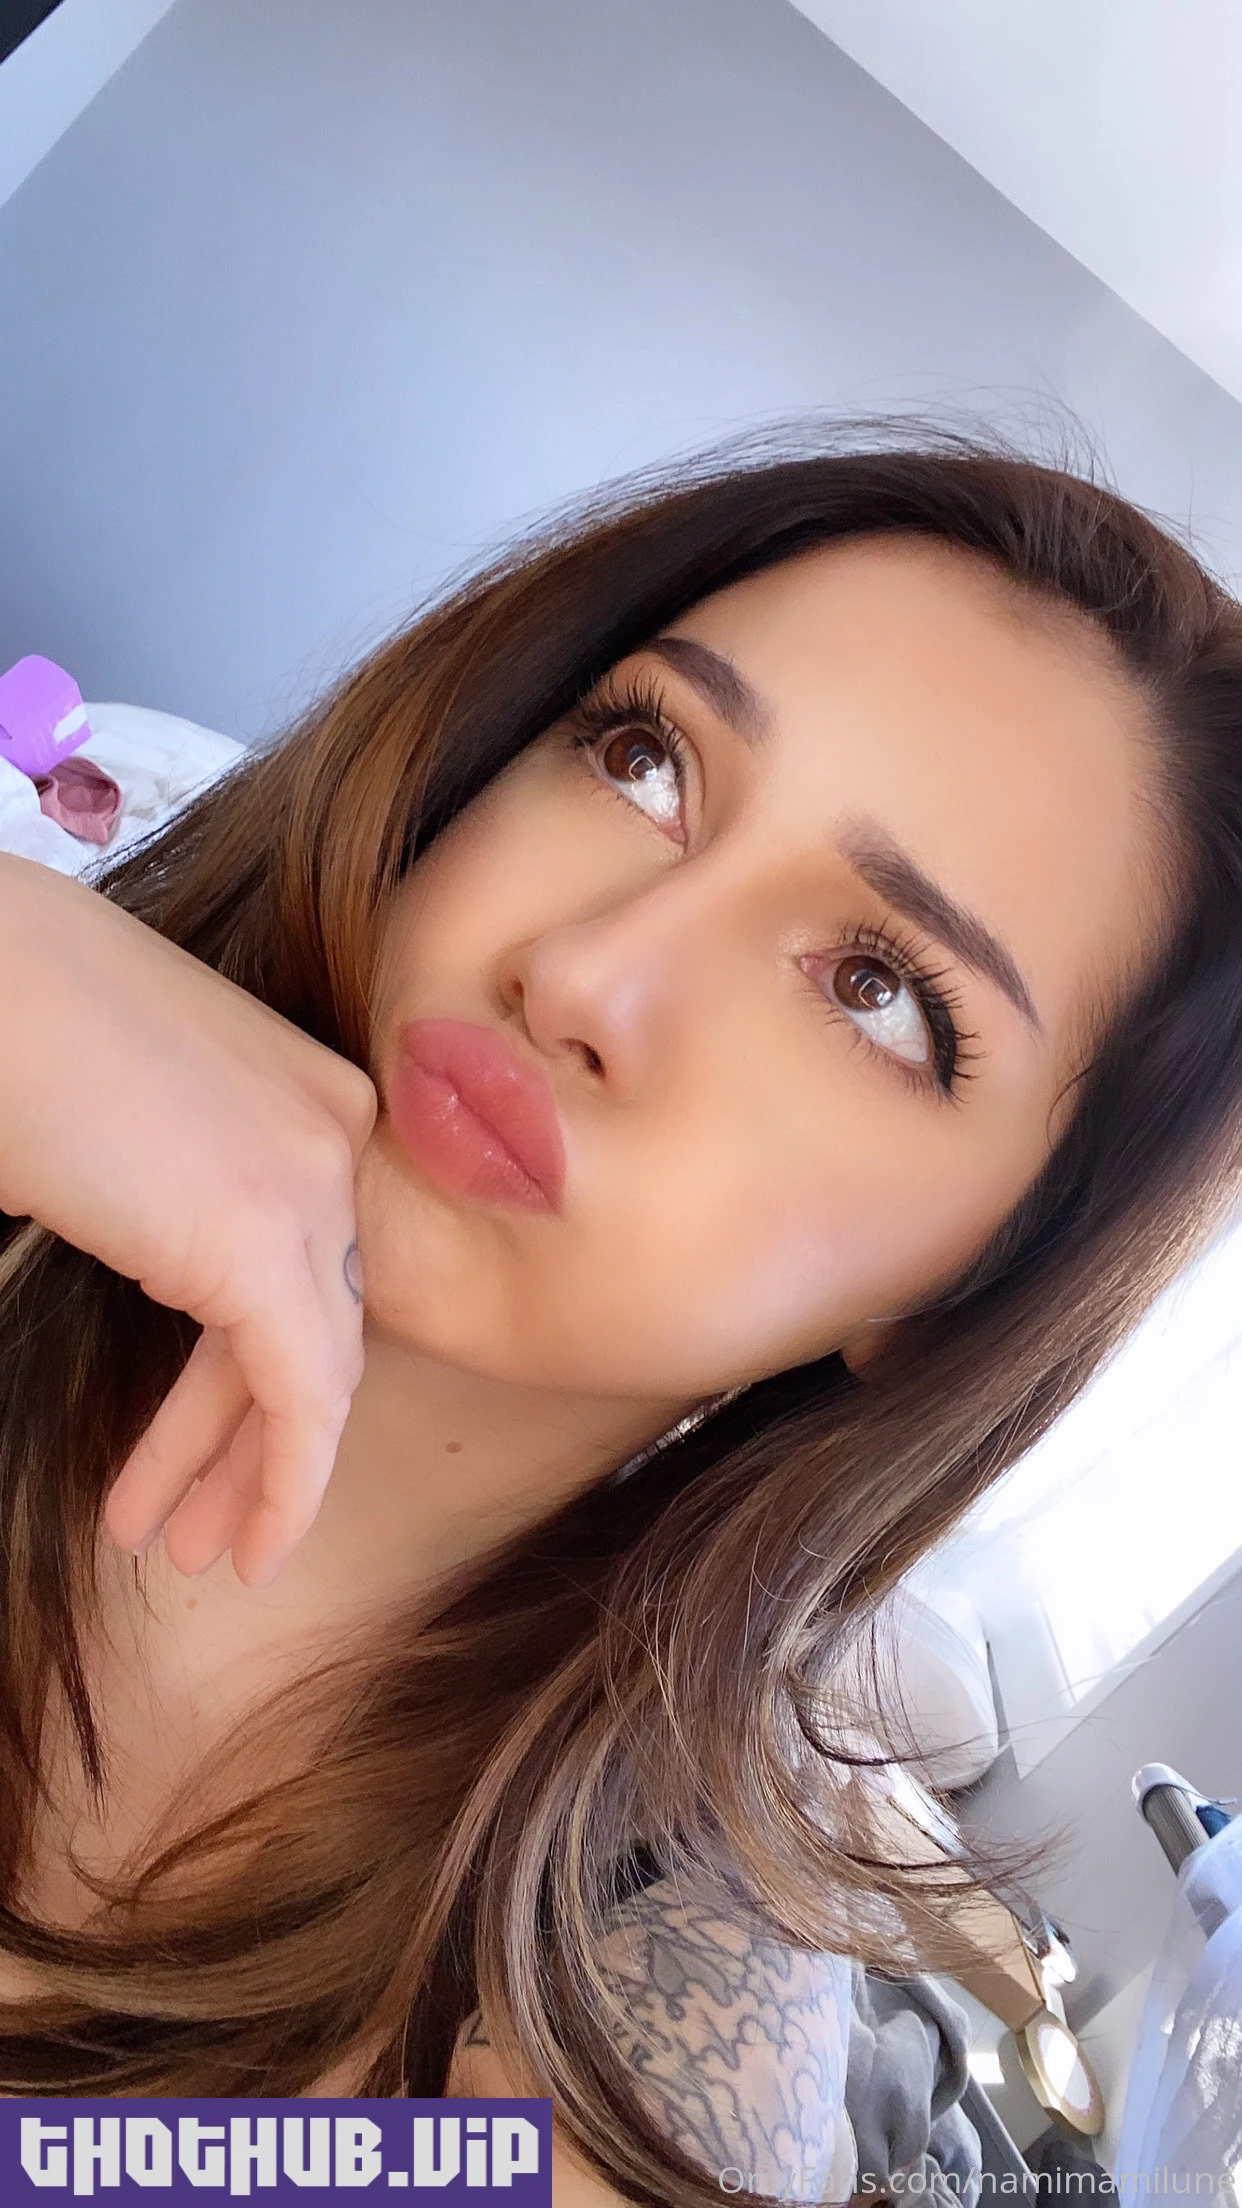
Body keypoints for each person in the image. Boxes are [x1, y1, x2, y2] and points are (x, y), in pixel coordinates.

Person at [0, 428, 1240, 2204]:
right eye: (644, 758)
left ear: (970, 1290)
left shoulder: (611, 2065)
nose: (584, 977)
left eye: (875, 993)